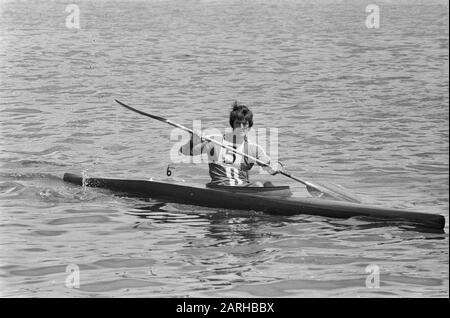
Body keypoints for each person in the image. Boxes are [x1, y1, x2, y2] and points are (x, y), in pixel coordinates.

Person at [179, 101, 283, 187]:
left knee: (268, 185)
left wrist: (277, 167)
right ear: (232, 124)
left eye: (245, 124)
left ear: (249, 126)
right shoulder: (216, 142)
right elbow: (185, 152)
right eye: (238, 123)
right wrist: (193, 140)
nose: (241, 127)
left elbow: (271, 170)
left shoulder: (254, 149)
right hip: (220, 188)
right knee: (258, 185)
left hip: (244, 188)